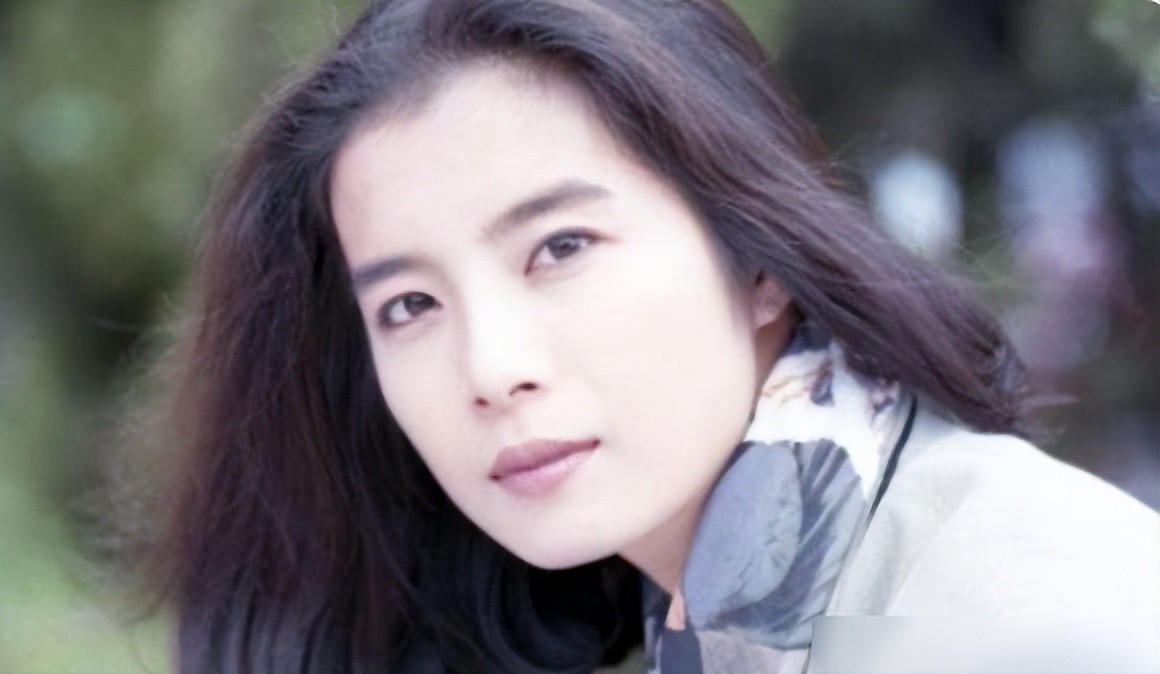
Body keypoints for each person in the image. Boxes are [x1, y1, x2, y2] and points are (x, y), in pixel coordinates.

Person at [148, 0, 1158, 672]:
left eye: (560, 248)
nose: (491, 368)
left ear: (755, 254)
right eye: (409, 305)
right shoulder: (727, 618)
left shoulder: (995, 613)